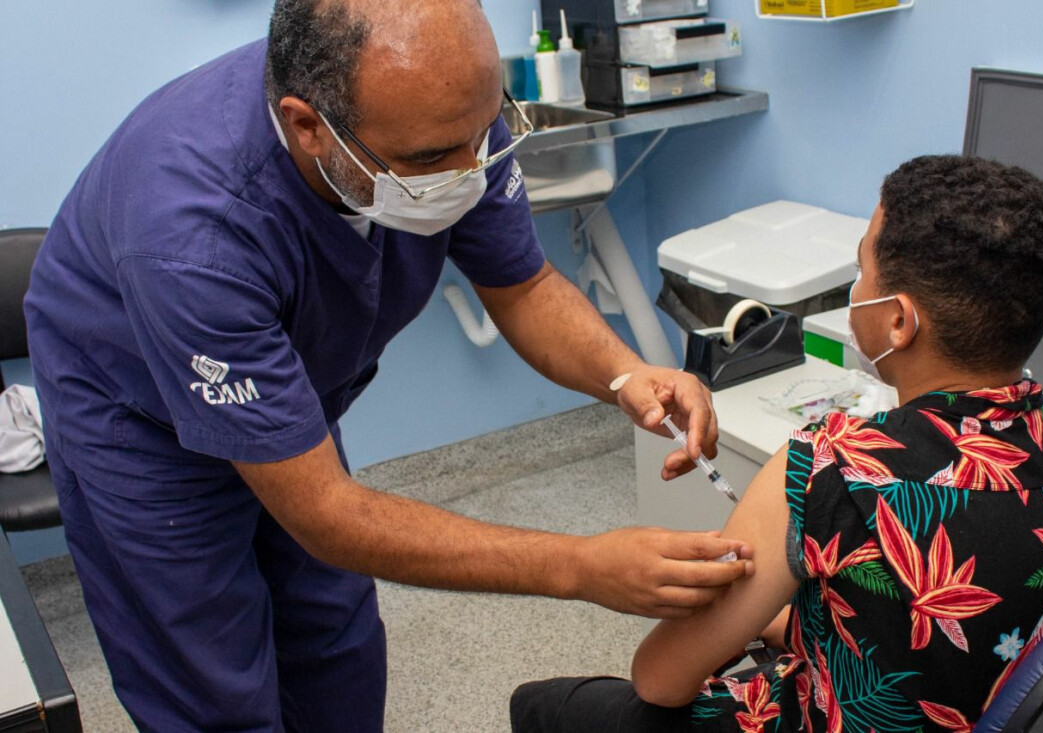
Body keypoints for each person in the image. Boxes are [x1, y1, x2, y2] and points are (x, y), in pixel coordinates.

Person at [23, 1, 753, 729]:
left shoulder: (442, 108)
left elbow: (522, 284)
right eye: (435, 159)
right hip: (134, 412)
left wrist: (627, 374)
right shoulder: (194, 232)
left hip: (286, 386)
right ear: (310, 127)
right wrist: (578, 566)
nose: (471, 173)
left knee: (333, 636)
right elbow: (328, 514)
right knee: (209, 678)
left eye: (482, 135)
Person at [511, 154, 1043, 732]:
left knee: (546, 704)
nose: (855, 286)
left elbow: (660, 679)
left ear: (899, 321)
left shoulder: (829, 468)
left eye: (862, 268)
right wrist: (793, 622)